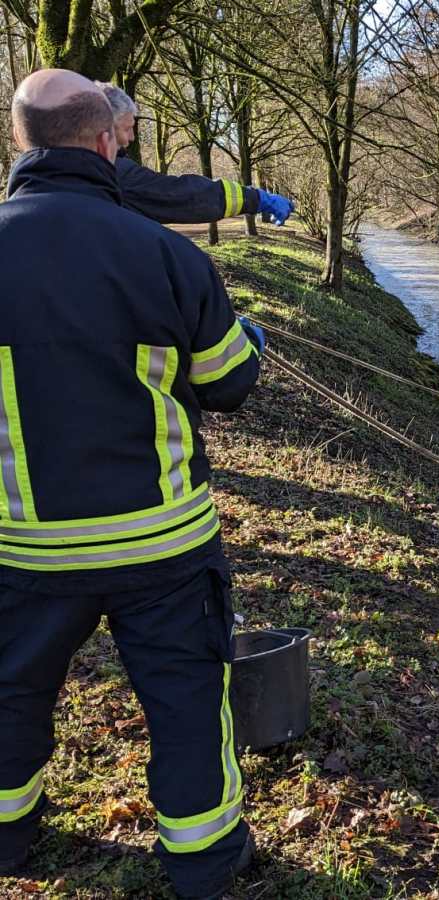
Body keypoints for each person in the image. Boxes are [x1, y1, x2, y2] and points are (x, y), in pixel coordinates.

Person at [0, 70, 262, 899]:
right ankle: (203, 865)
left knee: (9, 697)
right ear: (107, 141)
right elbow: (228, 383)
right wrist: (241, 337)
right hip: (162, 543)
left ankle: (7, 841)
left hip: (26, 547)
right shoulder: (163, 253)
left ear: (21, 143)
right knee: (186, 701)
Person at [96, 82, 293, 227]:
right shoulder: (109, 173)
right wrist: (257, 198)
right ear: (104, 130)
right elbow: (181, 196)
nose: (131, 138)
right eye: (127, 128)